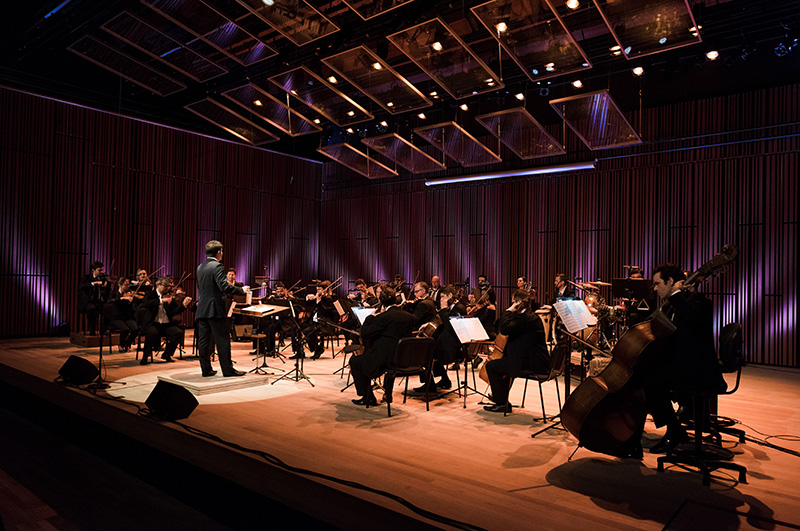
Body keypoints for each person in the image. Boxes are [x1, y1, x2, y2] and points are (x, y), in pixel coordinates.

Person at [634, 263, 726, 455]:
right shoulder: (671, 306)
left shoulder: (699, 302)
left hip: (698, 368)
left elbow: (690, 319)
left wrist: (676, 295)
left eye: (658, 283)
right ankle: (653, 433)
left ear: (670, 282)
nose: (655, 288)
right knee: (645, 377)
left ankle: (674, 431)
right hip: (681, 363)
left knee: (651, 382)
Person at [483, 290, 550, 413]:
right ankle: (501, 397)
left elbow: (504, 328)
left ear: (518, 303)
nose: (511, 304)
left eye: (513, 302)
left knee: (492, 366)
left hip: (531, 364)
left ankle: (501, 403)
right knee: (502, 364)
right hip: (531, 359)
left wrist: (509, 310)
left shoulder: (526, 319)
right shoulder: (528, 316)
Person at [349, 287, 415, 407]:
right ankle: (387, 393)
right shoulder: (409, 317)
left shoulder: (383, 317)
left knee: (355, 361)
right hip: (403, 358)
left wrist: (371, 317)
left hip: (386, 359)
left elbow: (365, 333)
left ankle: (368, 396)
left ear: (382, 301)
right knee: (385, 357)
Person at [195, 240, 249, 377]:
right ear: (219, 252)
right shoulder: (217, 266)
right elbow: (224, 287)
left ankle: (206, 370)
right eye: (222, 251)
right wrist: (241, 290)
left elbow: (200, 288)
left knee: (204, 341)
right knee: (223, 340)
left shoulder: (200, 267)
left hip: (202, 308)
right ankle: (228, 370)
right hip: (215, 308)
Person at [416, 285, 465, 392]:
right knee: (428, 349)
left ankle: (429, 384)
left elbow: (451, 327)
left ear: (450, 296)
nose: (441, 300)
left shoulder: (459, 308)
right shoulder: (452, 308)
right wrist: (429, 323)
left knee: (423, 352)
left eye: (443, 297)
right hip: (447, 345)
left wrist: (443, 310)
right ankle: (445, 380)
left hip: (453, 349)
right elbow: (443, 322)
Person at [140, 275, 192, 365]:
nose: (167, 288)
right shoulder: (150, 294)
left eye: (168, 286)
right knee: (152, 333)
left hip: (165, 324)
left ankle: (167, 354)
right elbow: (145, 303)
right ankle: (145, 356)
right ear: (158, 285)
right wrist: (160, 301)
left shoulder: (169, 297)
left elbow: (174, 311)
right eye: (165, 286)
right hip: (152, 323)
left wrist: (184, 306)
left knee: (178, 332)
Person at [78, 261, 110, 335]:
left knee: (108, 308)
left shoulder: (103, 279)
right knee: (92, 309)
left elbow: (108, 291)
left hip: (99, 301)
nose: (101, 272)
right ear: (93, 270)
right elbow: (81, 287)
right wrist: (93, 283)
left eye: (102, 270)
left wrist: (106, 286)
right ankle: (92, 330)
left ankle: (104, 329)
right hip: (89, 302)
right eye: (99, 270)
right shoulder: (86, 278)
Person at [107, 277, 139, 352]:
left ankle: (127, 343)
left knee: (136, 329)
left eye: (128, 285)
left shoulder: (129, 294)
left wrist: (132, 301)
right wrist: (121, 299)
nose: (128, 286)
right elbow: (109, 301)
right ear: (120, 285)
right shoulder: (114, 293)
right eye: (126, 285)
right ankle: (121, 345)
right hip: (116, 317)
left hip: (126, 317)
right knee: (125, 329)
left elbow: (133, 308)